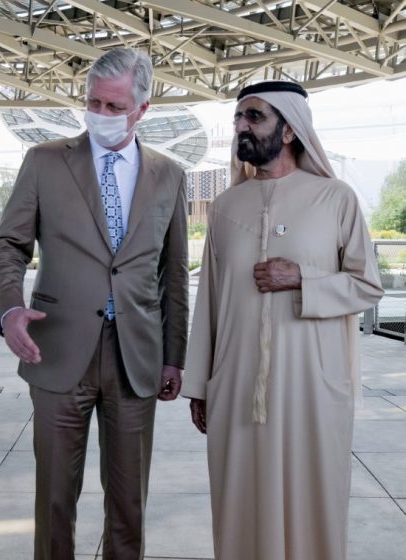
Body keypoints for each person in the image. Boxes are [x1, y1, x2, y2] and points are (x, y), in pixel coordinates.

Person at [0, 48, 188, 560]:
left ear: (142, 109)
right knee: (54, 500)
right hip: (57, 351)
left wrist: (174, 355)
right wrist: (10, 310)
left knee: (129, 506)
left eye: (113, 106)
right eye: (93, 102)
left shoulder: (170, 175)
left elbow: (174, 275)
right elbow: (8, 245)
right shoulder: (45, 162)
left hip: (135, 358)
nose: (100, 114)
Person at [180, 81, 384, 560]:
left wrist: (303, 279)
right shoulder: (226, 208)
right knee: (238, 503)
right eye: (237, 119)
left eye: (253, 117)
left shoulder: (336, 198)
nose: (240, 128)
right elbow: (209, 297)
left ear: (290, 130)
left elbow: (368, 285)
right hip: (235, 386)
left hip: (312, 388)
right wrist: (201, 385)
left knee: (313, 499)